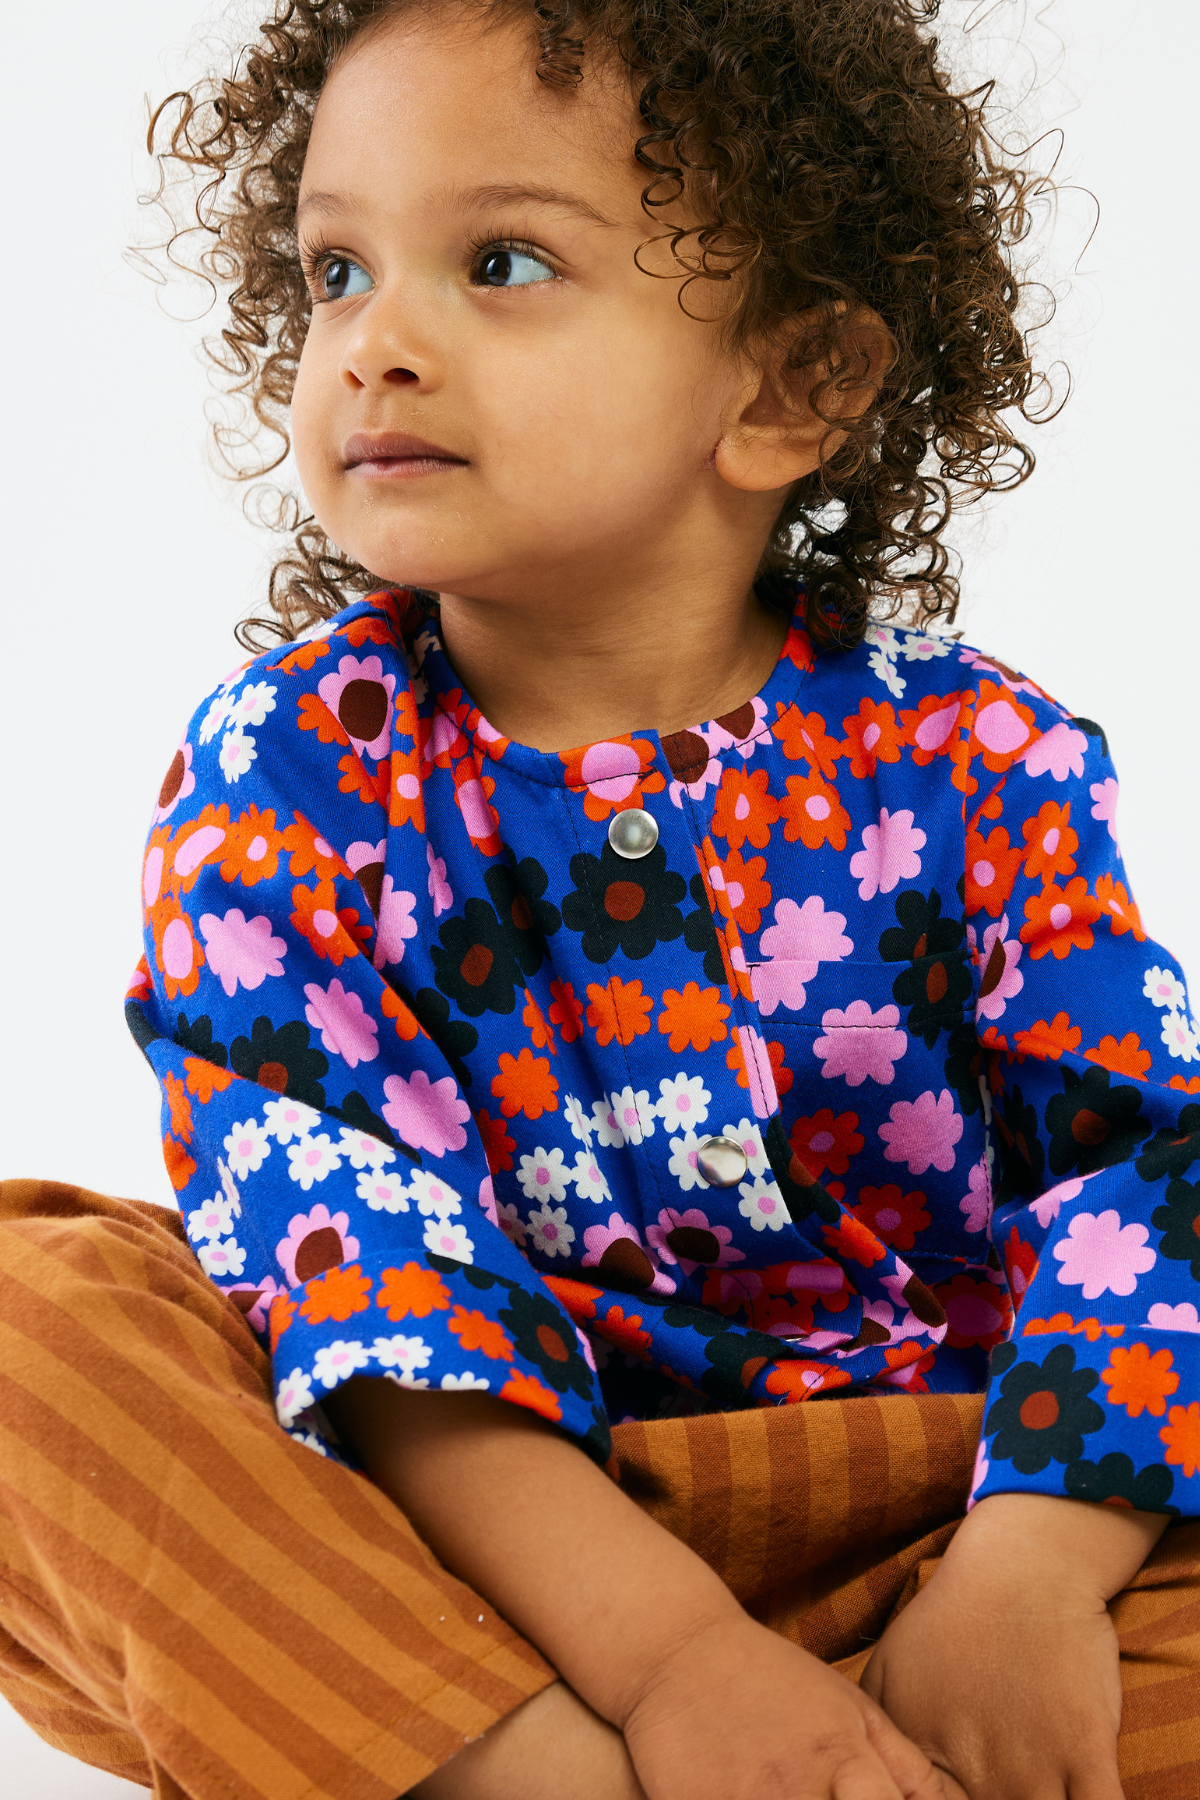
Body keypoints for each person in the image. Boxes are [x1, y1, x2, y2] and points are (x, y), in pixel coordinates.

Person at [3, 2, 1200, 1796]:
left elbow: (1147, 1169)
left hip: (961, 1520)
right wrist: (671, 1667)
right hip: (474, 1570)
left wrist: (1032, 1579)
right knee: (36, 1319)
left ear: (793, 386)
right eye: (335, 269)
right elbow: (356, 1270)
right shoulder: (285, 773)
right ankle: (535, 1780)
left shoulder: (978, 757)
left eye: (498, 262)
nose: (373, 344)